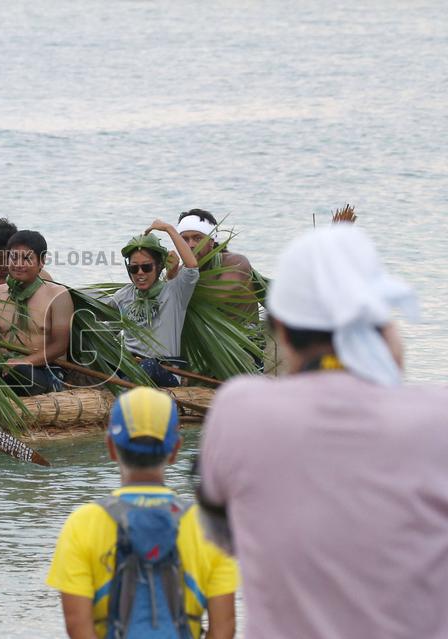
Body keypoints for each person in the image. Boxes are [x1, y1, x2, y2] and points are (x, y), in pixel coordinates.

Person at [198, 225, 448, 638]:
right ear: (380, 320)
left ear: (278, 328)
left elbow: (223, 537)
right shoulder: (436, 417)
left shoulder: (240, 410)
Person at [46, 387, 238, 639]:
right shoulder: (207, 524)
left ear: (111, 447)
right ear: (175, 450)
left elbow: (77, 626)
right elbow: (224, 628)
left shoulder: (82, 523)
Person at [107, 220, 199, 386]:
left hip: (165, 373)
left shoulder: (175, 292)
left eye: (146, 267)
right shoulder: (123, 296)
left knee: (148, 365)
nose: (140, 273)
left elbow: (192, 266)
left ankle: (124, 392)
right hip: (130, 367)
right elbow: (105, 331)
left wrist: (168, 229)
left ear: (159, 266)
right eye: (134, 268)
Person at [0, 230, 72, 395]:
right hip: (3, 366)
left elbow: (60, 346)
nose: (18, 264)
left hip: (44, 370)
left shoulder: (58, 295)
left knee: (21, 373)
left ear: (42, 261)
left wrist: (25, 361)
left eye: (27, 258)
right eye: (14, 257)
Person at [168, 209, 258, 318]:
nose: (190, 245)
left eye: (197, 238)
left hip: (246, 333)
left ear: (211, 242)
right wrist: (170, 276)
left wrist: (173, 279)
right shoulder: (182, 272)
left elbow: (216, 298)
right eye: (185, 240)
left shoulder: (235, 262)